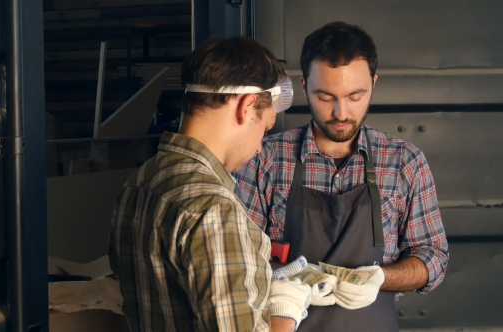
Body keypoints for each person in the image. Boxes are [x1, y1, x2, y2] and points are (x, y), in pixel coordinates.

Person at [235, 21, 449, 331]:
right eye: (325, 97)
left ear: (373, 84)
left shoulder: (404, 161)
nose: (341, 113)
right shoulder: (266, 158)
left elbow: (433, 258)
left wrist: (382, 278)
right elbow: (240, 259)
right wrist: (289, 282)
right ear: (304, 86)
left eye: (355, 96)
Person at [109, 36, 314, 332]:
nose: (260, 147)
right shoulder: (214, 210)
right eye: (265, 128)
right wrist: (287, 310)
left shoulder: (139, 183)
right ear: (246, 106)